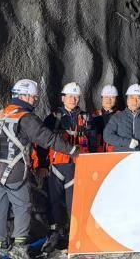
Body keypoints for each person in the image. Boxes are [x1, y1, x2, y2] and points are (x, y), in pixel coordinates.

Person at [0, 79, 77, 259]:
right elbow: (48, 139)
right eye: (34, 97)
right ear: (25, 96)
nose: (35, 101)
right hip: (13, 171)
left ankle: (1, 247)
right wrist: (73, 150)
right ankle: (19, 247)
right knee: (22, 206)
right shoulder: (25, 118)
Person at [40, 82, 96, 252]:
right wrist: (42, 165)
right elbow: (42, 143)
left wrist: (93, 164)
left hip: (78, 167)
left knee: (75, 203)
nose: (73, 99)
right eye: (70, 96)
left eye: (76, 97)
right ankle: (55, 234)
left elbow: (93, 143)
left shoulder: (86, 118)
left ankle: (76, 234)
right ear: (63, 98)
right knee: (54, 202)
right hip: (56, 166)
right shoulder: (53, 118)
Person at [103, 84, 140, 151]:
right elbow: (107, 136)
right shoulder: (117, 117)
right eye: (132, 97)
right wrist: (127, 142)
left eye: (138, 98)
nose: (134, 101)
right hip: (122, 156)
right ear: (127, 99)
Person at [91, 85, 119, 152]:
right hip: (97, 151)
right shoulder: (93, 115)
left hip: (115, 151)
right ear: (102, 98)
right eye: (106, 97)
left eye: (112, 97)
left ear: (116, 99)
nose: (109, 100)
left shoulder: (121, 116)